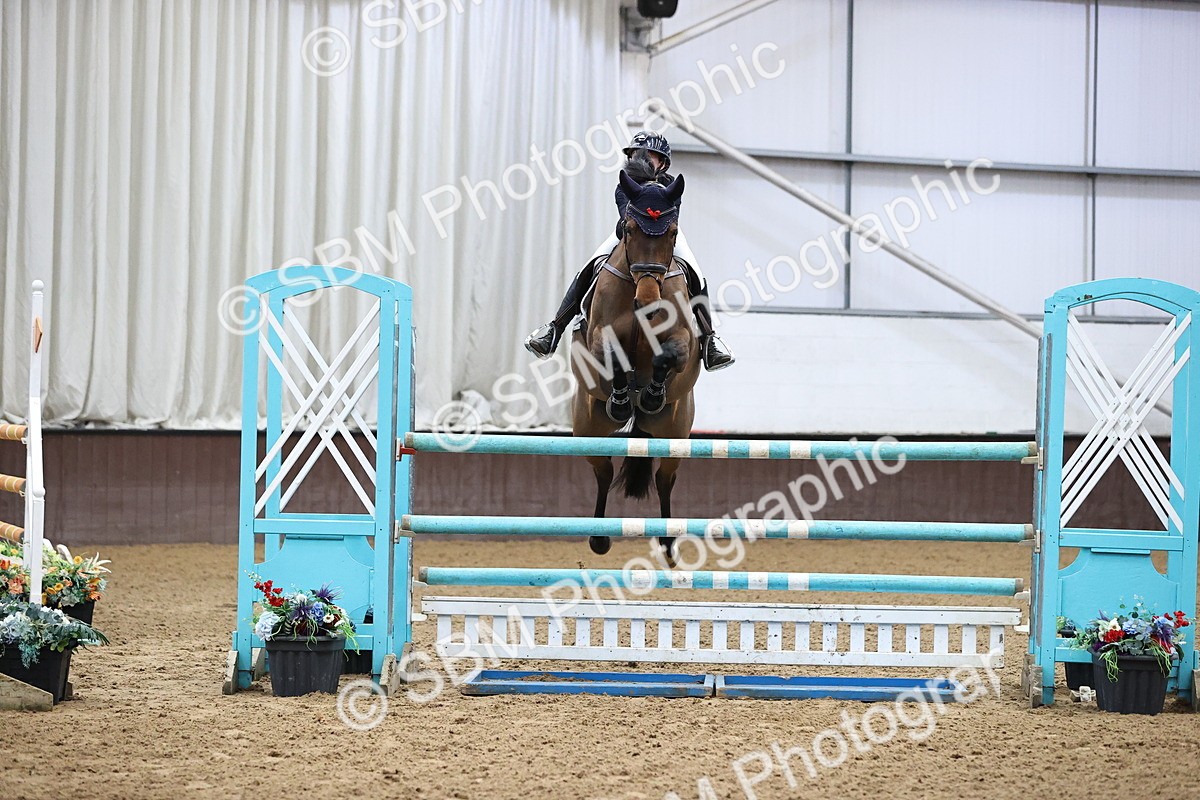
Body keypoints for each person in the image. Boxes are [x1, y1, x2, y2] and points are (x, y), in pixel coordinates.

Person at [523, 131, 735, 371]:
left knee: (695, 272)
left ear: (662, 163)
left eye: (649, 156)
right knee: (590, 266)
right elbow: (625, 217)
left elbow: (672, 217)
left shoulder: (670, 185)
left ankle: (709, 339)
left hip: (664, 238)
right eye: (636, 154)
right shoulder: (625, 186)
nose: (641, 159)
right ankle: (554, 330)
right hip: (630, 236)